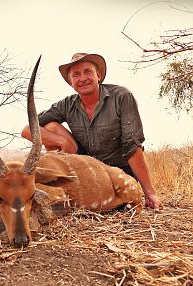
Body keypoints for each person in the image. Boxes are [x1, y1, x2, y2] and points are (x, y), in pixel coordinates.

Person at [21, 53, 163, 211]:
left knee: (125, 192)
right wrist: (62, 142)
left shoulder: (122, 96)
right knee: (51, 127)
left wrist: (149, 193)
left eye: (88, 71)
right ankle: (63, 193)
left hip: (119, 171)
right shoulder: (66, 105)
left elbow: (132, 146)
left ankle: (92, 198)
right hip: (86, 169)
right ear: (71, 82)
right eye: (76, 75)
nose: (83, 78)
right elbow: (27, 130)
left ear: (98, 75)